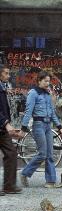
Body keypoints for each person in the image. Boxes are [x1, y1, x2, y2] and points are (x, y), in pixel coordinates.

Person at [20, 70, 62, 188]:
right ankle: (25, 173)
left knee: (50, 154)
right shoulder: (33, 93)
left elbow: (52, 113)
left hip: (48, 126)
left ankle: (50, 181)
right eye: (45, 81)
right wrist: (23, 128)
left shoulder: (47, 94)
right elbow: (28, 112)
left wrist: (60, 127)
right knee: (42, 154)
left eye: (48, 81)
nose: (47, 83)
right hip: (38, 125)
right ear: (39, 81)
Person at [0, 64, 22, 195]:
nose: (8, 76)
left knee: (11, 154)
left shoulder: (3, 87)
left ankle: (9, 186)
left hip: (2, 129)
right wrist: (6, 123)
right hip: (3, 125)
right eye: (6, 73)